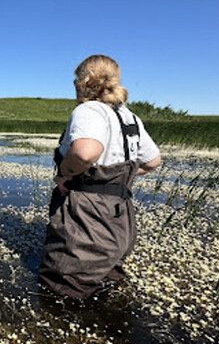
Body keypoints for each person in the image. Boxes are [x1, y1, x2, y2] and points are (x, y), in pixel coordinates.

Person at [39, 55, 162, 299]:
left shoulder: (89, 110)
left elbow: (85, 153)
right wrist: (115, 182)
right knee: (107, 282)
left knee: (62, 287)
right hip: (120, 218)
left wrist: (64, 175)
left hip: (87, 215)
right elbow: (152, 161)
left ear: (82, 82)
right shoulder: (129, 117)